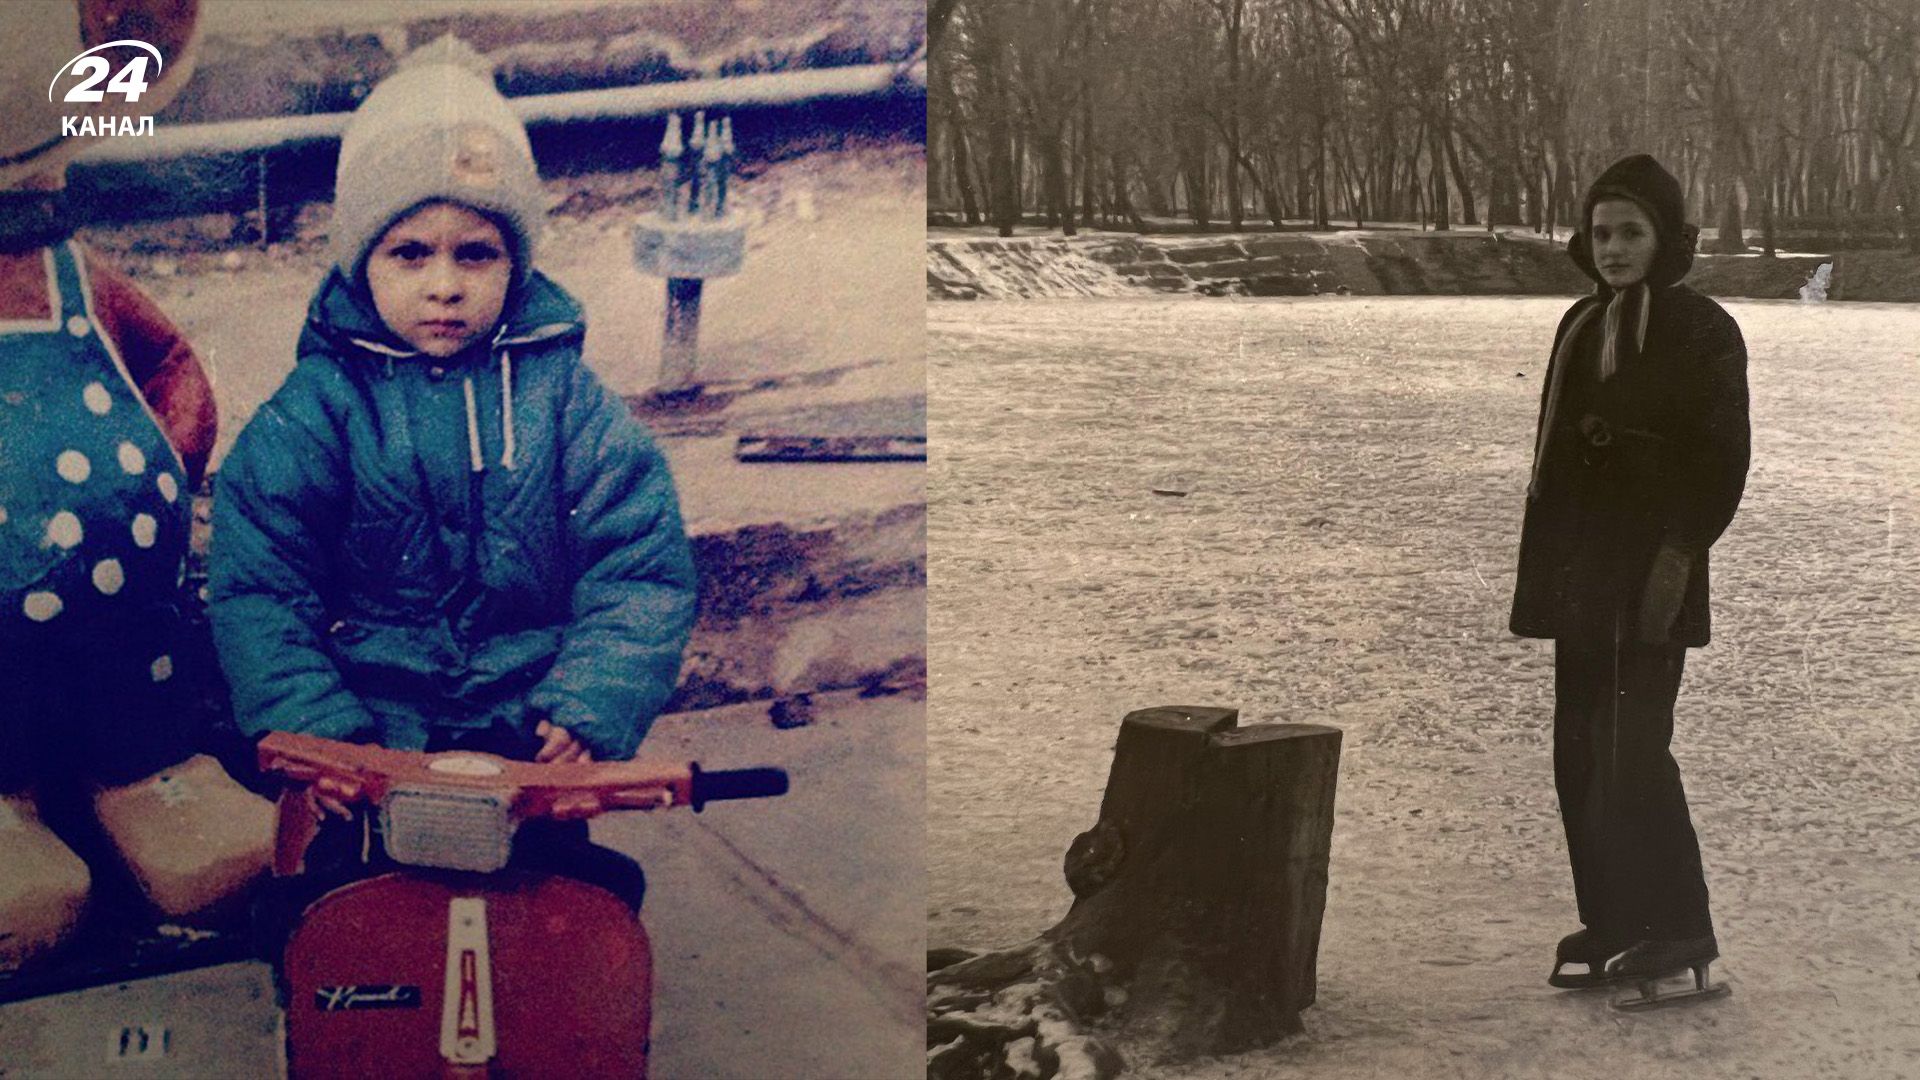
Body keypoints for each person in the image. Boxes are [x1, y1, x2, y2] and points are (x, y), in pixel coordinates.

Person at [208, 39, 697, 912]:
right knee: (340, 911)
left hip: (524, 731)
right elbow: (260, 586)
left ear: (516, 262)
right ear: (361, 259)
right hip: (370, 733)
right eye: (409, 254)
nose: (444, 286)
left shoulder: (566, 402)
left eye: (476, 254)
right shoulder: (317, 408)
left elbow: (640, 570)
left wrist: (588, 704)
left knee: (562, 909)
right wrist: (319, 730)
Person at [0, 0, 273, 973]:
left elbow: (168, 363)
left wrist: (164, 458)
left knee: (136, 692)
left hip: (126, 621)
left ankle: (148, 784)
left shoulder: (82, 279)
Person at [1509, 154, 1750, 992]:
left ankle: (1680, 930)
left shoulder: (1702, 329)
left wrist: (1677, 554)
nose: (1613, 248)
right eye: (1602, 232)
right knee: (1579, 749)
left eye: (1632, 232)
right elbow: (1554, 456)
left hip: (1653, 572)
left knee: (1635, 748)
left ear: (1666, 239)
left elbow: (1723, 460)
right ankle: (1615, 916)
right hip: (1582, 569)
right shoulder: (1582, 321)